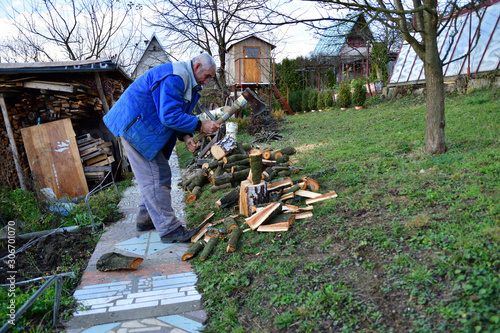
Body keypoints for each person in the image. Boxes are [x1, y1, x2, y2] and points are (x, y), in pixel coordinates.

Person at [103, 53, 220, 243]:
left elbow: (176, 113)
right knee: (157, 175)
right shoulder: (176, 77)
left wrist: (186, 135)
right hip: (135, 127)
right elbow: (169, 115)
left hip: (141, 125)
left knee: (153, 176)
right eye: (207, 76)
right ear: (197, 66)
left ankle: (145, 218)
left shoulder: (186, 80)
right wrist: (200, 125)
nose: (207, 82)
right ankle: (169, 229)